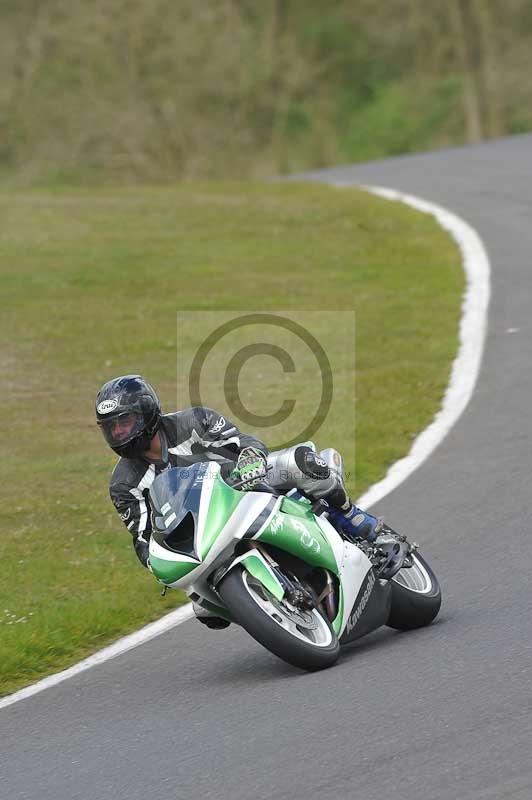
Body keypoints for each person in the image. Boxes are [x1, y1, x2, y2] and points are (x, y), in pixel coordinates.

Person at [96, 374, 383, 627]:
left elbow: (244, 442)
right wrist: (158, 563)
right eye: (112, 427)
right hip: (206, 534)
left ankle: (356, 519)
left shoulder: (193, 421)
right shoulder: (123, 484)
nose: (119, 433)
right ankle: (270, 606)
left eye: (125, 422)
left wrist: (251, 459)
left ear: (147, 414)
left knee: (302, 462)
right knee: (204, 609)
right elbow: (143, 536)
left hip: (248, 485)